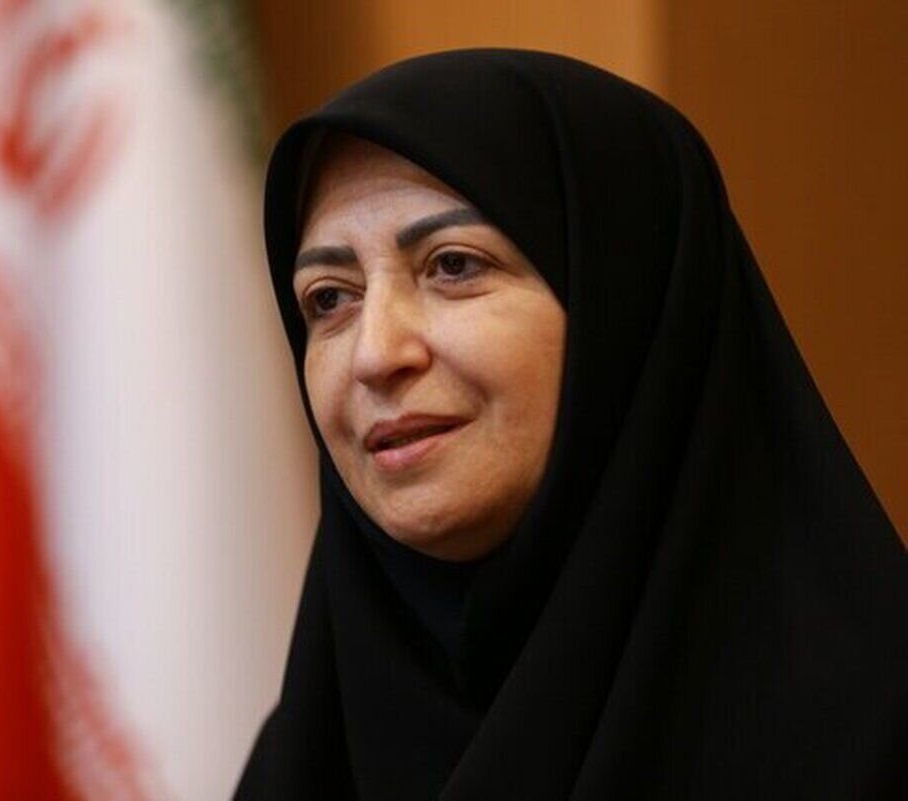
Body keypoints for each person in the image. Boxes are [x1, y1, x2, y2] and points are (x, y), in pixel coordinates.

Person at [235, 50, 907, 800]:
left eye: (453, 266)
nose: (374, 354)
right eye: (329, 298)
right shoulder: (309, 752)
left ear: (627, 311)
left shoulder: (872, 734)